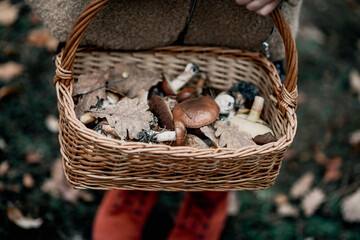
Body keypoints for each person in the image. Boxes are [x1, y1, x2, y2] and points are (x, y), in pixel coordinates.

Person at [25, 0, 303, 239]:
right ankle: (135, 181)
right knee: (137, 143)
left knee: (221, 156)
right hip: (123, 28)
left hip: (239, 30)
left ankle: (210, 194)